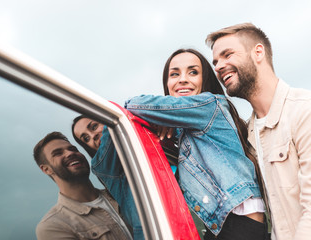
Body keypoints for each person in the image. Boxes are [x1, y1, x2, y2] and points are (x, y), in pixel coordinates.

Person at [124, 48, 268, 240]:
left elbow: (134, 105)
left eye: (193, 72)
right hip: (224, 224)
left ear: (205, 80)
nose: (183, 79)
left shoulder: (209, 104)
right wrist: (166, 122)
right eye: (174, 74)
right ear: (167, 83)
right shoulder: (186, 128)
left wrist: (164, 117)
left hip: (239, 223)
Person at [206, 23, 311, 240]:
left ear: (258, 52)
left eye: (227, 55)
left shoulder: (303, 110)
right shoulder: (248, 134)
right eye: (215, 61)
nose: (218, 66)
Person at [33, 131, 132, 240]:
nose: (70, 153)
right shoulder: (54, 226)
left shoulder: (120, 194)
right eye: (58, 153)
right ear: (46, 169)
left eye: (73, 149)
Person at [71, 117, 145, 240]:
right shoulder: (101, 165)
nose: (92, 136)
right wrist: (107, 113)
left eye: (94, 127)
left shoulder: (141, 152)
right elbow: (114, 122)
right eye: (86, 138)